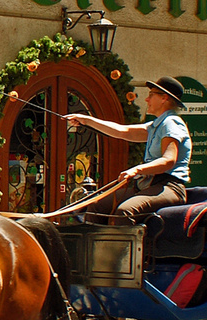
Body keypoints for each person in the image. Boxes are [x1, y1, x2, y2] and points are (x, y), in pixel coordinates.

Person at [67, 76, 191, 222]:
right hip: (146, 186)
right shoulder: (156, 125)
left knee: (125, 211)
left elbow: (168, 161)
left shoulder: (171, 123)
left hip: (169, 187)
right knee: (96, 206)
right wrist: (86, 120)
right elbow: (122, 131)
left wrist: (136, 170)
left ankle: (122, 246)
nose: (147, 99)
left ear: (164, 98)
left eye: (151, 95)